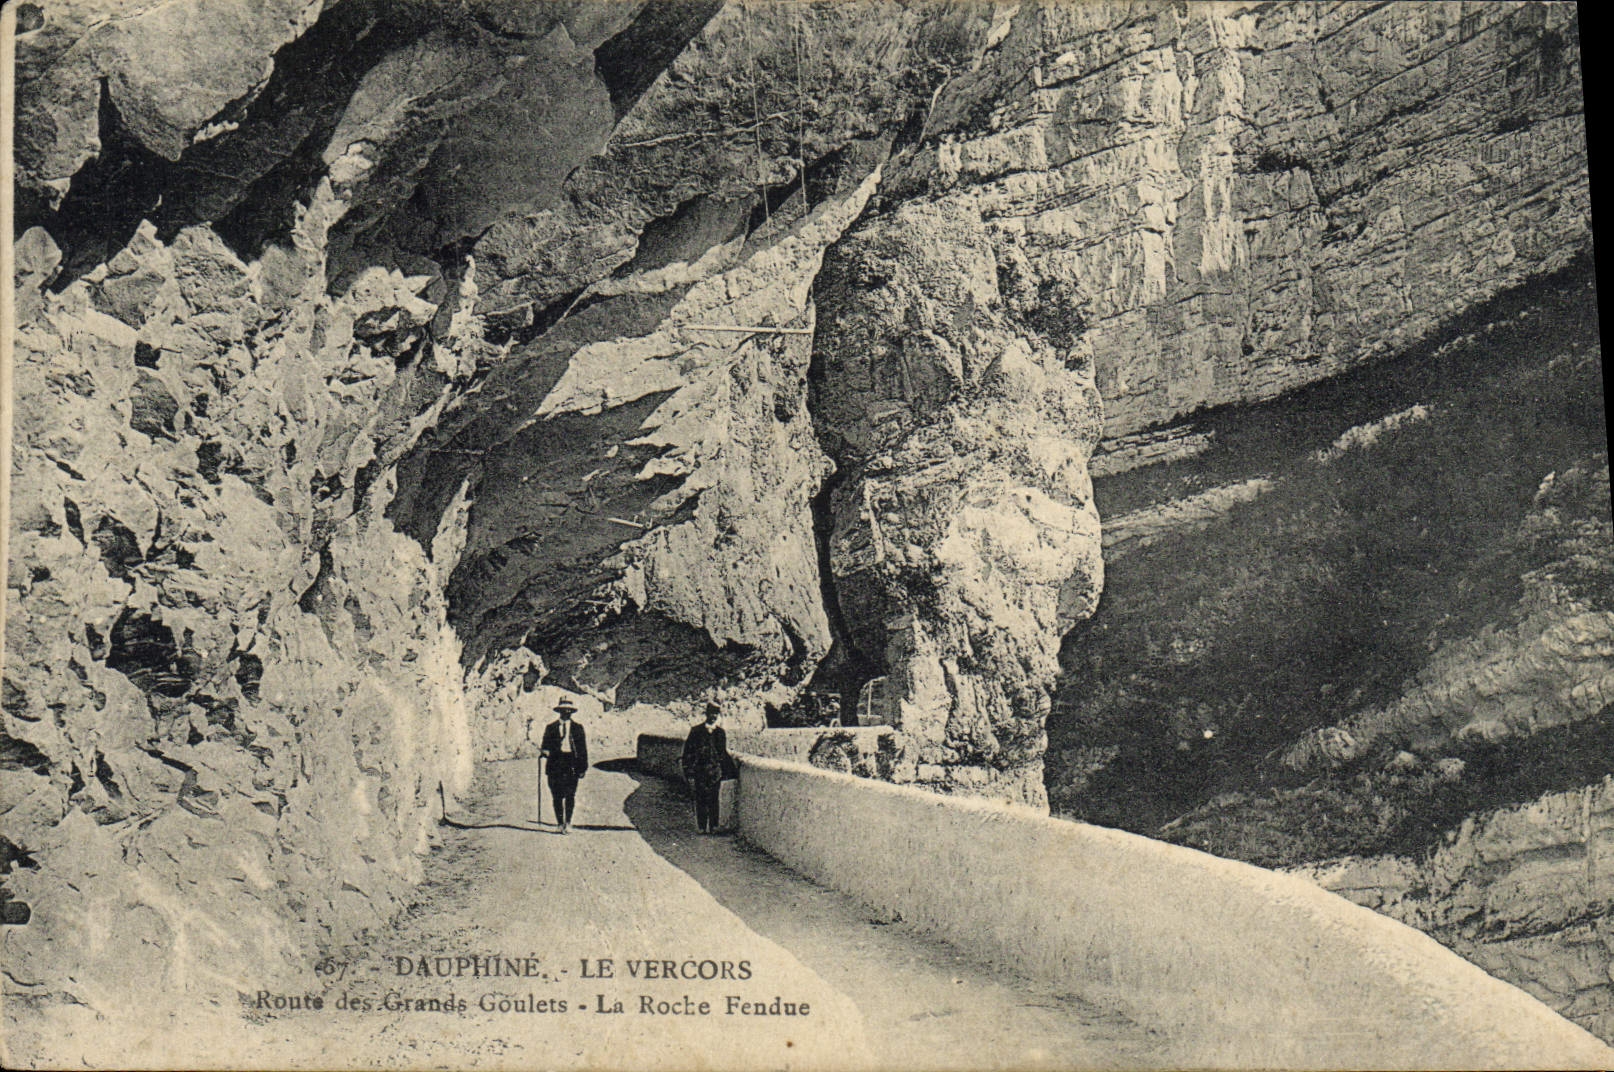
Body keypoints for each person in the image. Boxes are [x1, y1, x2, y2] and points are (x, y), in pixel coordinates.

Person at [539, 698, 588, 833]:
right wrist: (544, 751)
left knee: (570, 794)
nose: (567, 712)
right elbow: (545, 746)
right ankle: (559, 823)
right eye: (564, 710)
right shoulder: (551, 728)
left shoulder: (578, 728)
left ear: (572, 712)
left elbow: (583, 749)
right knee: (557, 795)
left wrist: (583, 767)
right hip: (555, 763)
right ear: (559, 711)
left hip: (572, 762)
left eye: (569, 710)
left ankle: (568, 823)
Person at [682, 702, 732, 834]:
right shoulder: (696, 731)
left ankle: (714, 826)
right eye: (712, 713)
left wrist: (728, 770)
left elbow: (723, 753)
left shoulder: (720, 733)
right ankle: (702, 826)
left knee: (714, 798)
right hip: (701, 770)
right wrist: (689, 771)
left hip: (715, 771)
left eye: (716, 713)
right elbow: (688, 752)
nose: (714, 716)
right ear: (707, 714)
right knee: (701, 798)